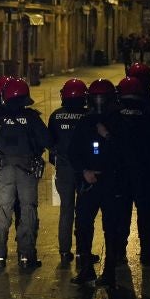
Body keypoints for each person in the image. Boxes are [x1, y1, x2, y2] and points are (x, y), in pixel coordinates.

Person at [0, 78, 50, 269]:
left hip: (2, 171)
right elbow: (47, 141)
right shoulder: (32, 118)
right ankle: (26, 256)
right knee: (27, 210)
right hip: (27, 170)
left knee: (1, 212)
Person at [69, 79, 129, 287]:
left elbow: (125, 153)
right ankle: (86, 269)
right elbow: (73, 152)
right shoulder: (85, 122)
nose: (100, 103)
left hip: (111, 181)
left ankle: (110, 271)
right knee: (83, 226)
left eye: (103, 98)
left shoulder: (119, 122)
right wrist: (84, 172)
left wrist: (108, 136)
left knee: (111, 228)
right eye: (97, 99)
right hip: (89, 182)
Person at [116, 76, 150, 266]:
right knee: (146, 212)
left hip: (121, 171)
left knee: (121, 212)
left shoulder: (114, 111)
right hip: (145, 170)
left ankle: (118, 252)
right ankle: (148, 253)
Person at [48, 78, 88, 265]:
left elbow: (51, 146)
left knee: (66, 210)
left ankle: (64, 251)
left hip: (63, 169)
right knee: (83, 211)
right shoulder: (89, 116)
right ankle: (82, 251)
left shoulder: (55, 116)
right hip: (84, 170)